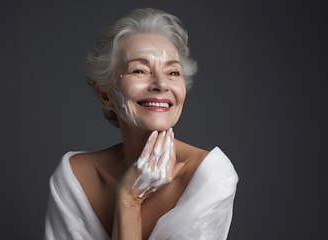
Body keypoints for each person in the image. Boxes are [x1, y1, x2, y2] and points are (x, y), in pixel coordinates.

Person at [43, 8, 238, 240]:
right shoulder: (74, 178)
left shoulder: (211, 176)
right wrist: (128, 197)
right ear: (106, 96)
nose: (161, 84)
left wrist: (129, 200)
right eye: (140, 70)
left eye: (173, 72)